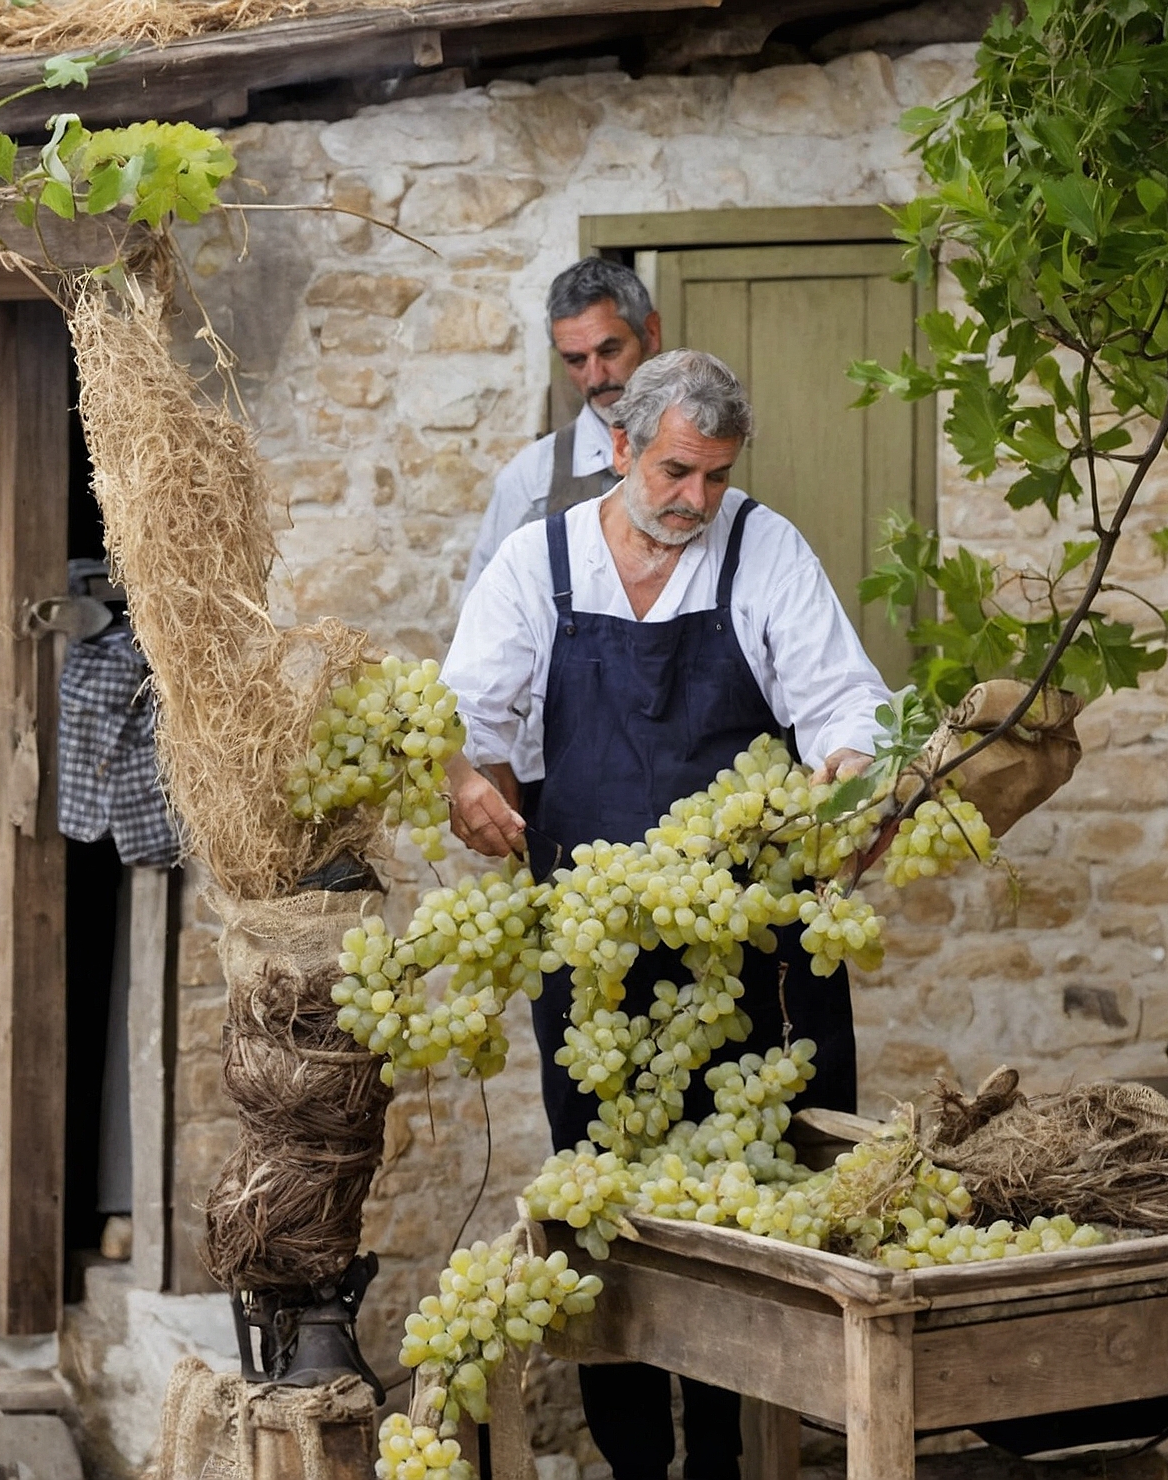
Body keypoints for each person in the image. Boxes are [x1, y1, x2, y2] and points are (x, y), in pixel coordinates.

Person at [440, 350, 888, 1480]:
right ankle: (636, 1463)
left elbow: (842, 700)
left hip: (753, 957)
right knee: (611, 1216)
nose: (696, 500)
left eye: (715, 477)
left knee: (762, 1206)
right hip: (598, 970)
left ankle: (741, 1456)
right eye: (678, 472)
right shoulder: (535, 564)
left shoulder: (762, 548)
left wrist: (847, 765)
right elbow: (462, 721)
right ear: (624, 449)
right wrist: (466, 785)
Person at [461, 257, 662, 605]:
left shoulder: (699, 457)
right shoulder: (529, 482)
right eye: (576, 360)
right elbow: (483, 615)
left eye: (610, 350)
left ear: (651, 334)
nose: (596, 377)